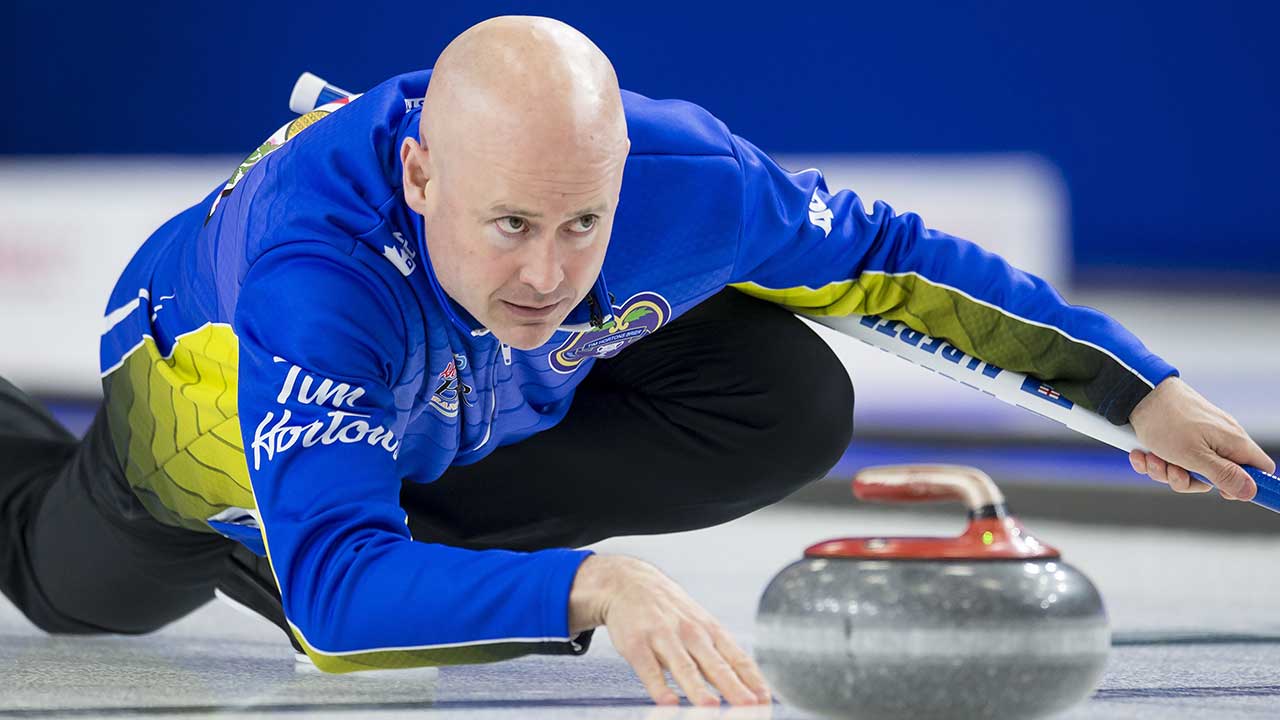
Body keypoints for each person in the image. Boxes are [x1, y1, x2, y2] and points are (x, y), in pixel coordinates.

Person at [0, 15, 1273, 708]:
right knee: (70, 588)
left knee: (787, 394)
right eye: (509, 225)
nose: (552, 276)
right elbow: (333, 605)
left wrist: (1132, 391)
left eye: (583, 223)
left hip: (456, 414)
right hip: (199, 435)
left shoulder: (684, 182)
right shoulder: (313, 279)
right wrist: (591, 586)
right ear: (421, 173)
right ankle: (215, 528)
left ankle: (415, 538)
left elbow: (890, 261)